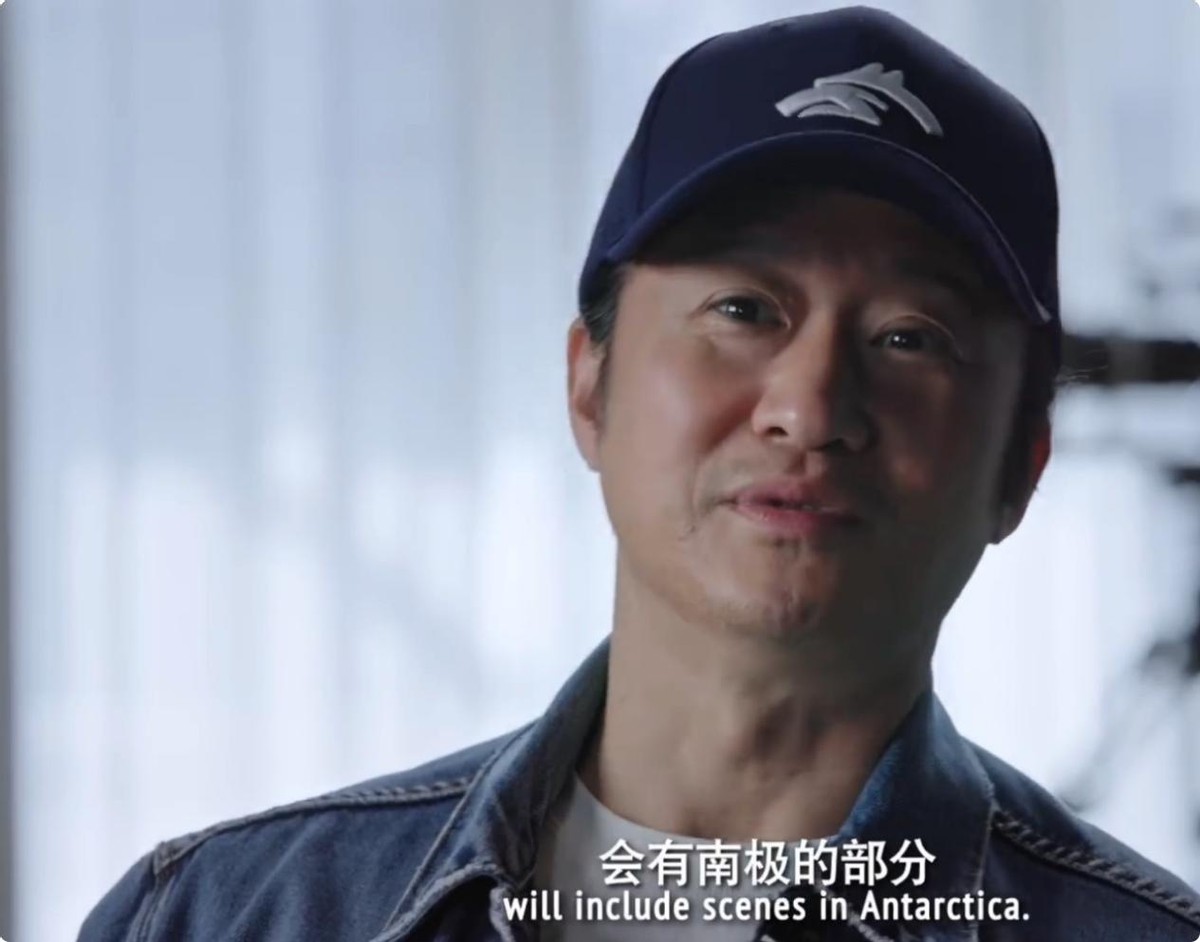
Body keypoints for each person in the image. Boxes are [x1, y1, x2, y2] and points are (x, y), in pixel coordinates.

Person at [80, 7, 1200, 941]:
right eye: (743, 309)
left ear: (1021, 465)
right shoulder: (225, 916)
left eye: (910, 337)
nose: (809, 409)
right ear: (589, 386)